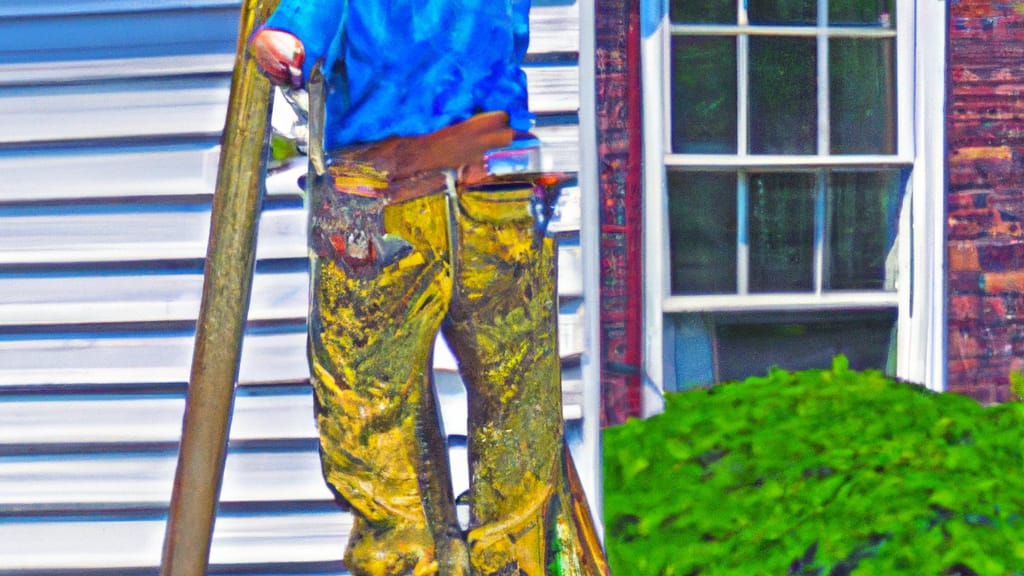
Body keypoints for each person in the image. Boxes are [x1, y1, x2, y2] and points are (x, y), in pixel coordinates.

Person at [250, 2, 608, 575]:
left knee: (371, 410)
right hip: (483, 176)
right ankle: (509, 563)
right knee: (514, 406)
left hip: (388, 185)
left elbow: (289, 40)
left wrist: (281, 40)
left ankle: (418, 563)